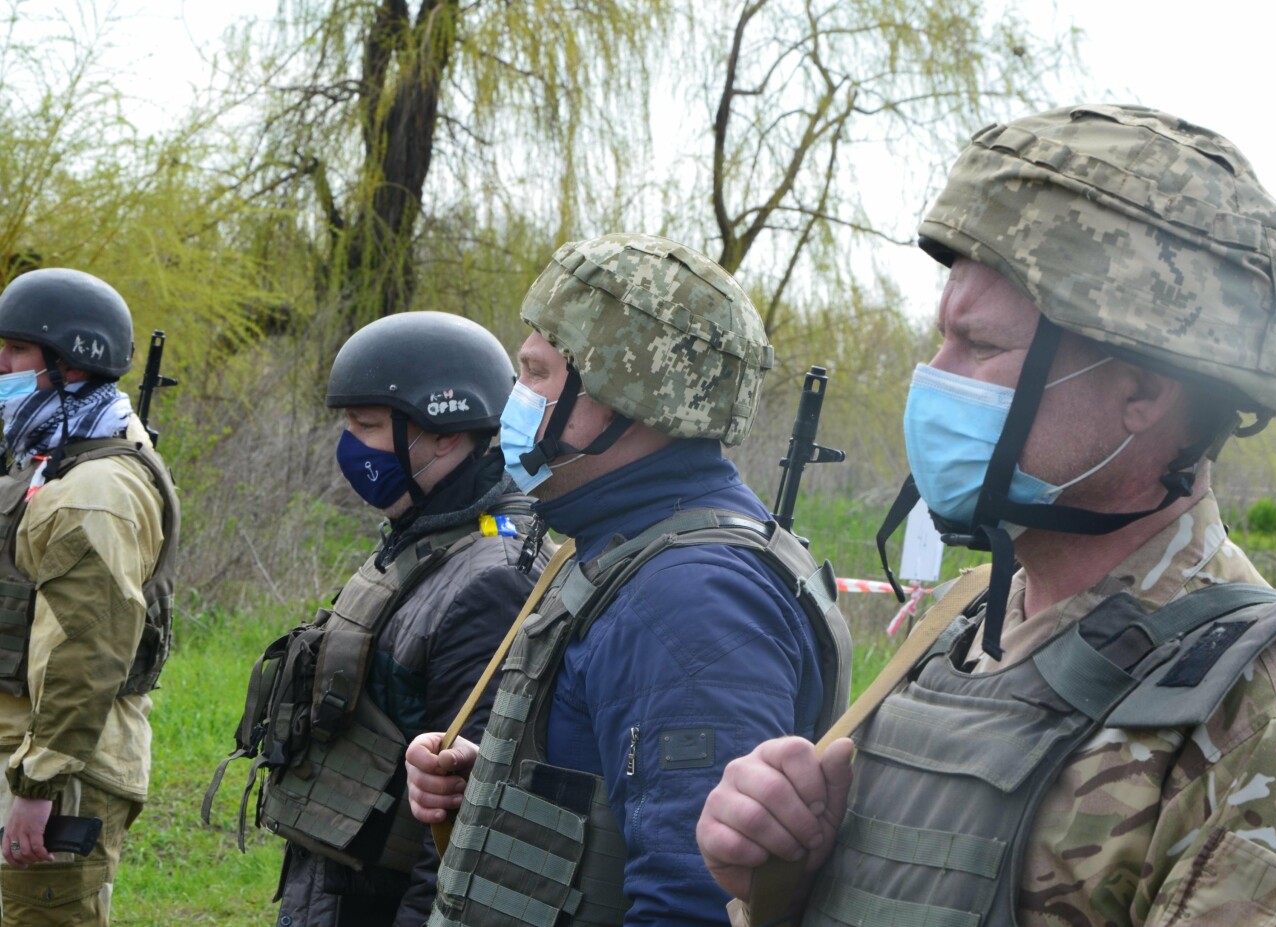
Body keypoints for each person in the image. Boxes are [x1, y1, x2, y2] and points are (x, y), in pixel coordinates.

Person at [696, 104, 1276, 926]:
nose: (934, 377)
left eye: (981, 347)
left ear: (1142, 389)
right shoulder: (959, 631)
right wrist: (780, 878)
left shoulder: (1272, 720)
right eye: (942, 339)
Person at [402, 232, 853, 927]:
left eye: (538, 373)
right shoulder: (628, 544)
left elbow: (694, 898)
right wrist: (501, 788)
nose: (515, 398)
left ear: (623, 391)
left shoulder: (689, 599)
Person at [203, 311, 543, 927]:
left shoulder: (493, 579)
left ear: (443, 433)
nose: (349, 446)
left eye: (365, 426)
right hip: (334, 889)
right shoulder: (422, 537)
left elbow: (462, 824)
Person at [0, 268, 180, 925]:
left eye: (17, 351)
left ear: (70, 363)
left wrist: (39, 784)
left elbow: (87, 647)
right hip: (35, 752)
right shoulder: (54, 457)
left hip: (64, 771)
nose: (1, 364)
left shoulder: (95, 490)